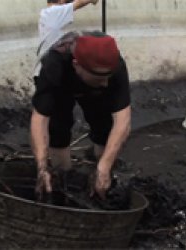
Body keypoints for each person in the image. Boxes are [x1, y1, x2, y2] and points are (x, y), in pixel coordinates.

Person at [31, 31, 131, 200]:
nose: (105, 83)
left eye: (108, 77)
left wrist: (104, 167)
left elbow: (122, 121)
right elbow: (40, 119)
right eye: (100, 78)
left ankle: (101, 176)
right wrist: (41, 166)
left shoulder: (116, 66)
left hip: (93, 89)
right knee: (57, 127)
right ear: (76, 65)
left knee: (104, 126)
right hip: (62, 85)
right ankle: (61, 178)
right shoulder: (54, 63)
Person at [34, 0, 99, 76]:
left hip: (46, 70)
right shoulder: (55, 11)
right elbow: (80, 3)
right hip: (49, 72)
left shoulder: (48, 13)